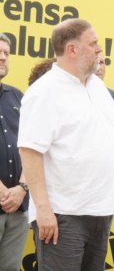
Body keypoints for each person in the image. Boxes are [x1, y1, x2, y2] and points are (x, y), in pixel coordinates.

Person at [18, 18, 114, 270]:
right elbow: (30, 153)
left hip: (99, 211)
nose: (99, 50)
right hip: (63, 215)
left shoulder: (98, 88)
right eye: (93, 44)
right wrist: (44, 211)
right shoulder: (43, 92)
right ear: (72, 49)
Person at [0, 33, 29, 270]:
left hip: (18, 209)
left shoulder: (18, 96)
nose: (3, 58)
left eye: (6, 54)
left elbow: (33, 147)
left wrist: (22, 188)